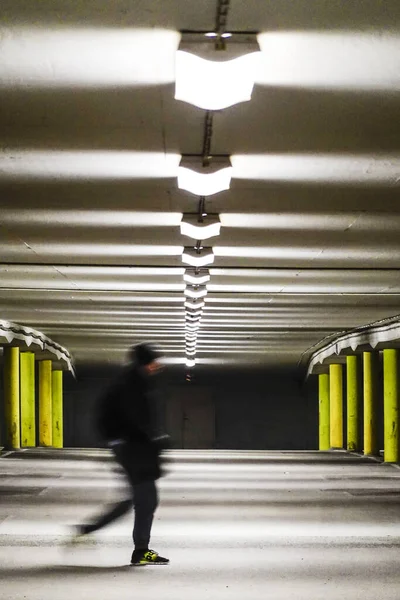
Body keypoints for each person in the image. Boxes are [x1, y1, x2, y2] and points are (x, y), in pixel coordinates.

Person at [69, 342, 170, 566]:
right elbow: (135, 420)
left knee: (137, 500)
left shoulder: (131, 382)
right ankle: (140, 550)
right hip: (133, 449)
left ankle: (88, 530)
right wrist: (148, 440)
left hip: (130, 447)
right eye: (154, 362)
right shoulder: (131, 385)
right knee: (146, 499)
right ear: (146, 362)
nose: (157, 366)